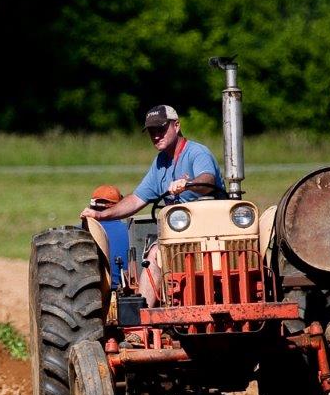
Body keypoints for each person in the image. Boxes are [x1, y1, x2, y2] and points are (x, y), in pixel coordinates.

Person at [80, 105, 224, 307]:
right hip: (179, 237)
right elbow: (136, 199)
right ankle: (142, 321)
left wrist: (188, 184)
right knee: (153, 255)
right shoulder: (161, 163)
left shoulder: (196, 153)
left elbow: (208, 180)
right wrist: (101, 215)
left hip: (213, 232)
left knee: (156, 252)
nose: (156, 136)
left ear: (177, 125)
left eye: (161, 129)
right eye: (152, 132)